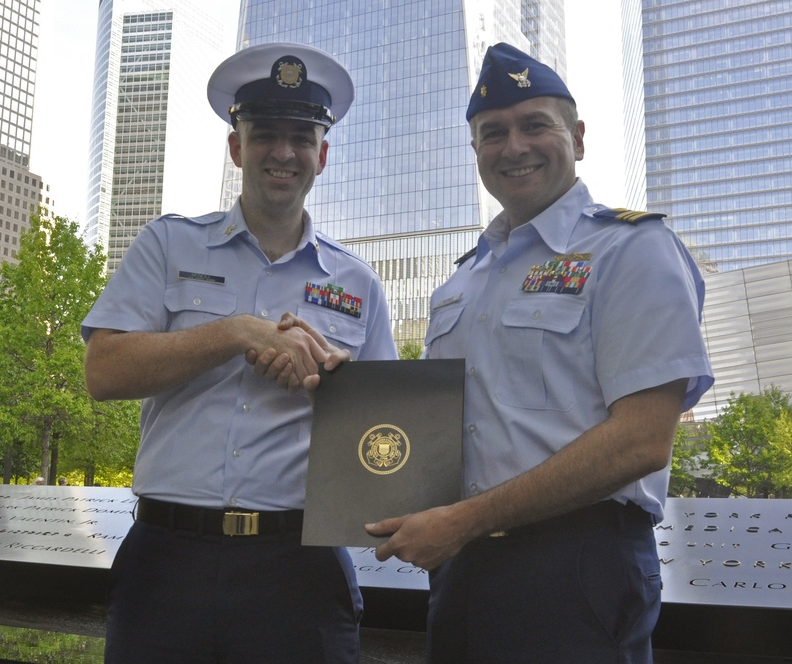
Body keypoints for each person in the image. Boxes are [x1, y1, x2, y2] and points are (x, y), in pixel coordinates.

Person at [365, 43, 715, 663]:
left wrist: (466, 520)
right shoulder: (461, 282)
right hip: (463, 566)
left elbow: (641, 440)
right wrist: (331, 380)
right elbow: (430, 431)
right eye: (492, 133)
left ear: (577, 138)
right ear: (476, 153)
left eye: (535, 126)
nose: (514, 146)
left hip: (578, 566)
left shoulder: (631, 250)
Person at [82, 42, 397, 663]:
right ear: (236, 148)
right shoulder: (168, 244)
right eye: (265, 135)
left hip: (300, 568)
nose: (283, 152)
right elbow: (104, 371)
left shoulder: (358, 284)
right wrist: (237, 333)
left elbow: (384, 434)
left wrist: (330, 378)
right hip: (168, 559)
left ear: (322, 156)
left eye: (301, 137)